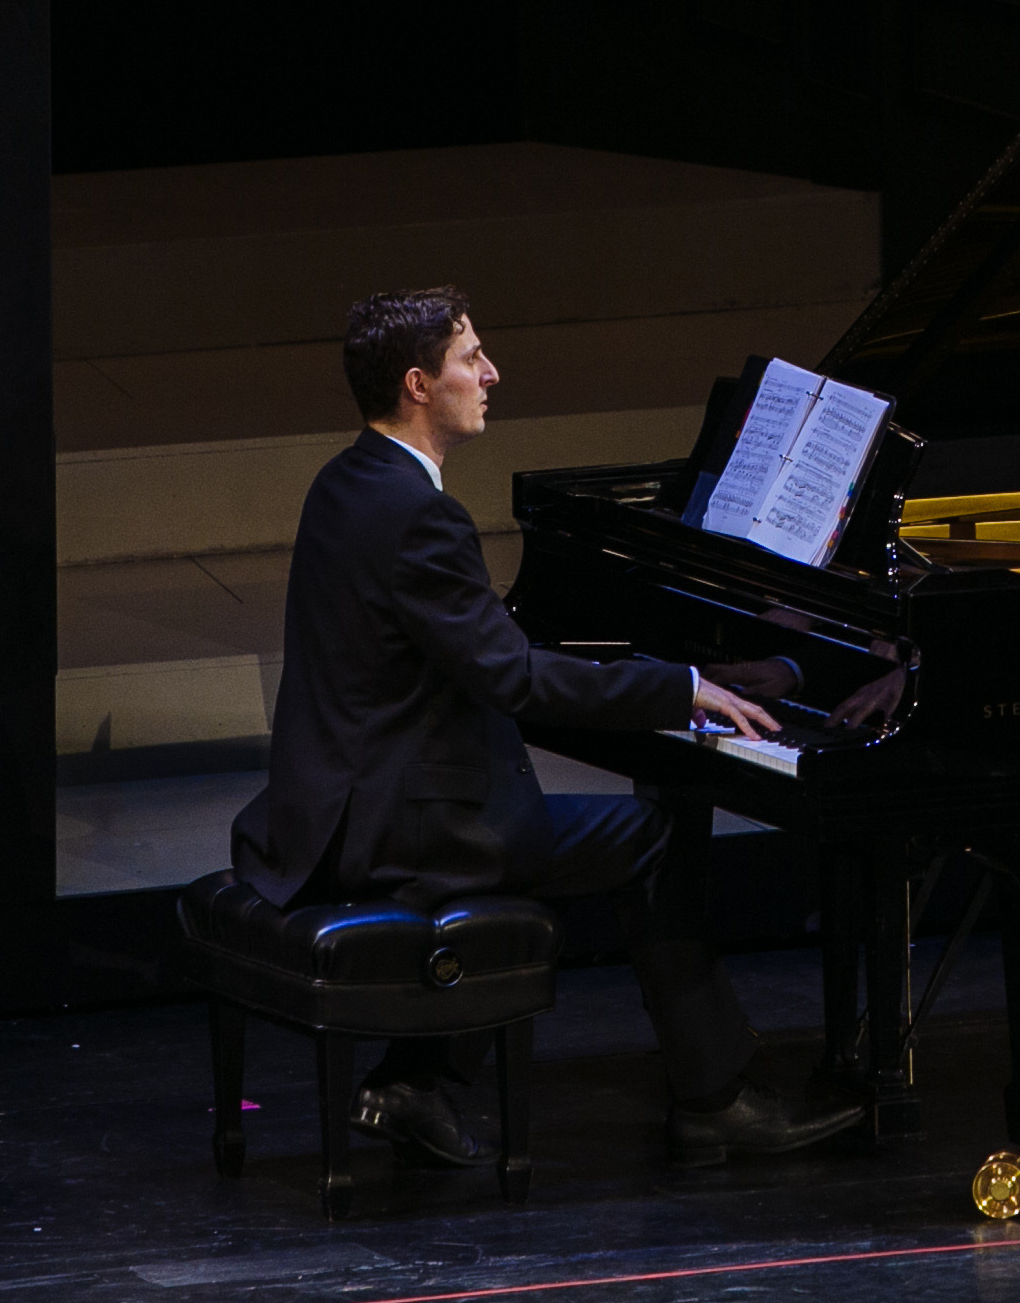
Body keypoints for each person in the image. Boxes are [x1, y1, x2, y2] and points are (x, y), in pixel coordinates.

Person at [229, 287, 861, 1168]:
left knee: (553, 838)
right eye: (469, 358)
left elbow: (472, 651)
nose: (491, 373)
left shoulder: (347, 480)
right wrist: (676, 687)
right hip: (399, 826)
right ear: (418, 383)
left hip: (336, 803)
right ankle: (717, 1096)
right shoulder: (420, 513)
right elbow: (512, 674)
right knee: (647, 834)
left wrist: (638, 677)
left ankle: (419, 1078)